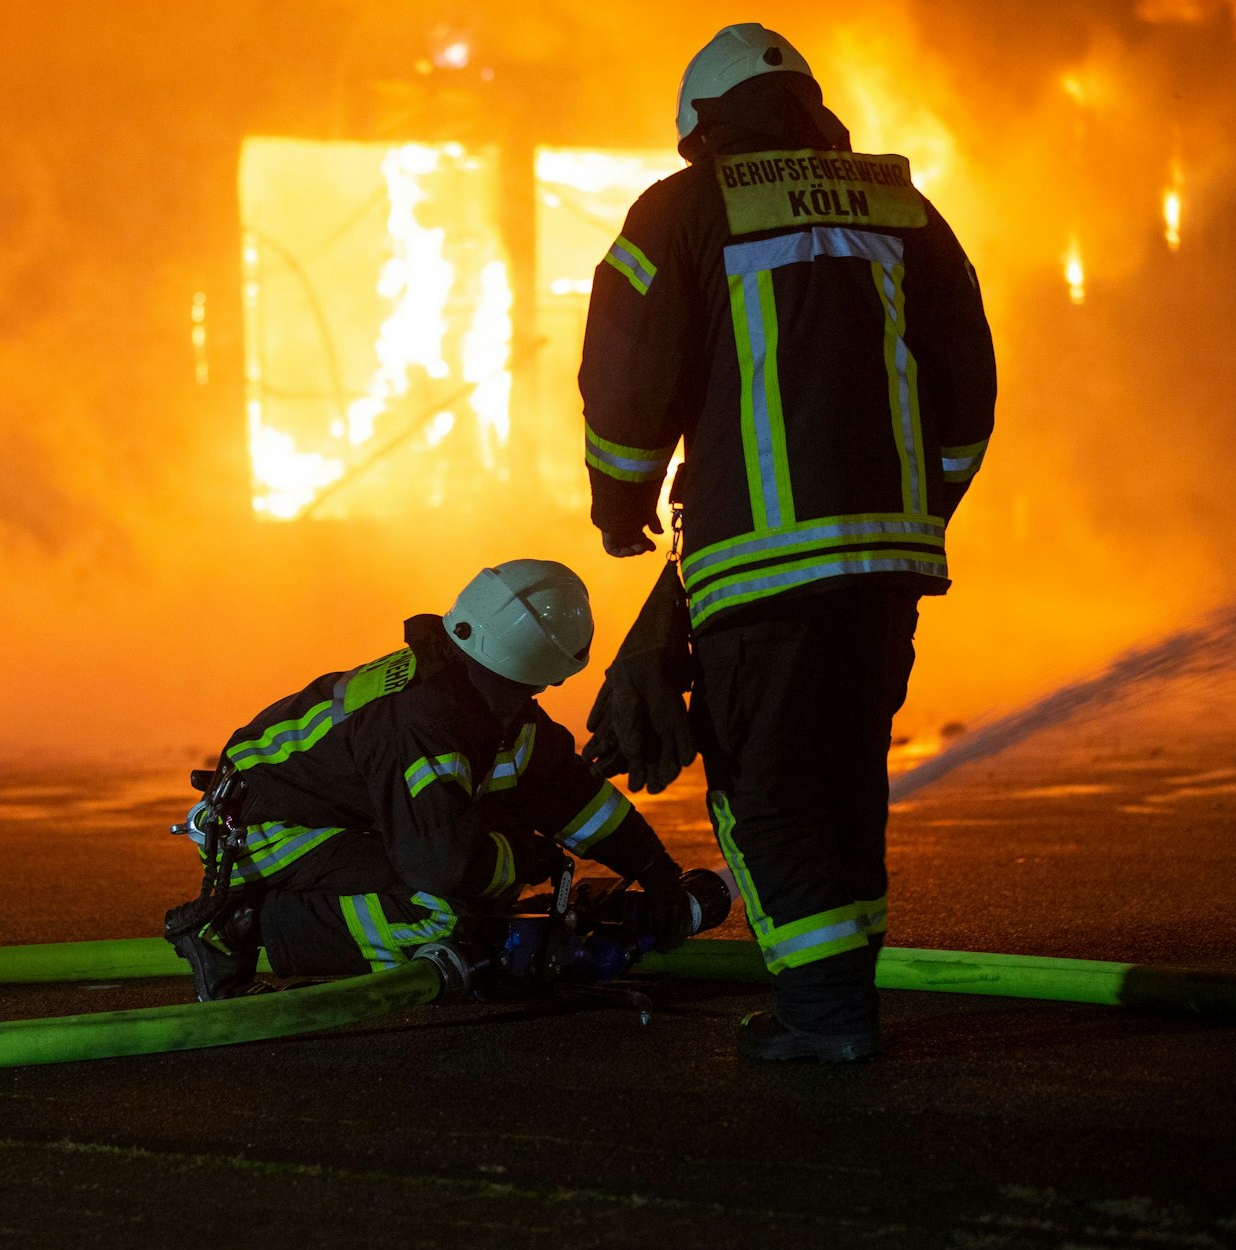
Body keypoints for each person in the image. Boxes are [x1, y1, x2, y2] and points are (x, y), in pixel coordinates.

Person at [578, 23, 998, 1060]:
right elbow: (968, 382)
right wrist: (923, 506)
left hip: (762, 567)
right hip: (886, 566)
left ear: (701, 127)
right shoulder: (905, 206)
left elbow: (630, 379)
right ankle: (838, 996)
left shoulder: (682, 211)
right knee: (845, 774)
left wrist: (620, 501)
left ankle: (825, 1016)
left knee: (768, 787)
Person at [165, 560, 710, 1002]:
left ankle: (265, 914)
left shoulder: (489, 705)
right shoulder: (427, 718)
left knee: (482, 882)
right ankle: (247, 920)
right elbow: (441, 863)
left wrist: (655, 871)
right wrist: (522, 856)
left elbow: (570, 795)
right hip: (269, 830)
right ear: (550, 671)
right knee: (450, 909)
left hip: (322, 817)